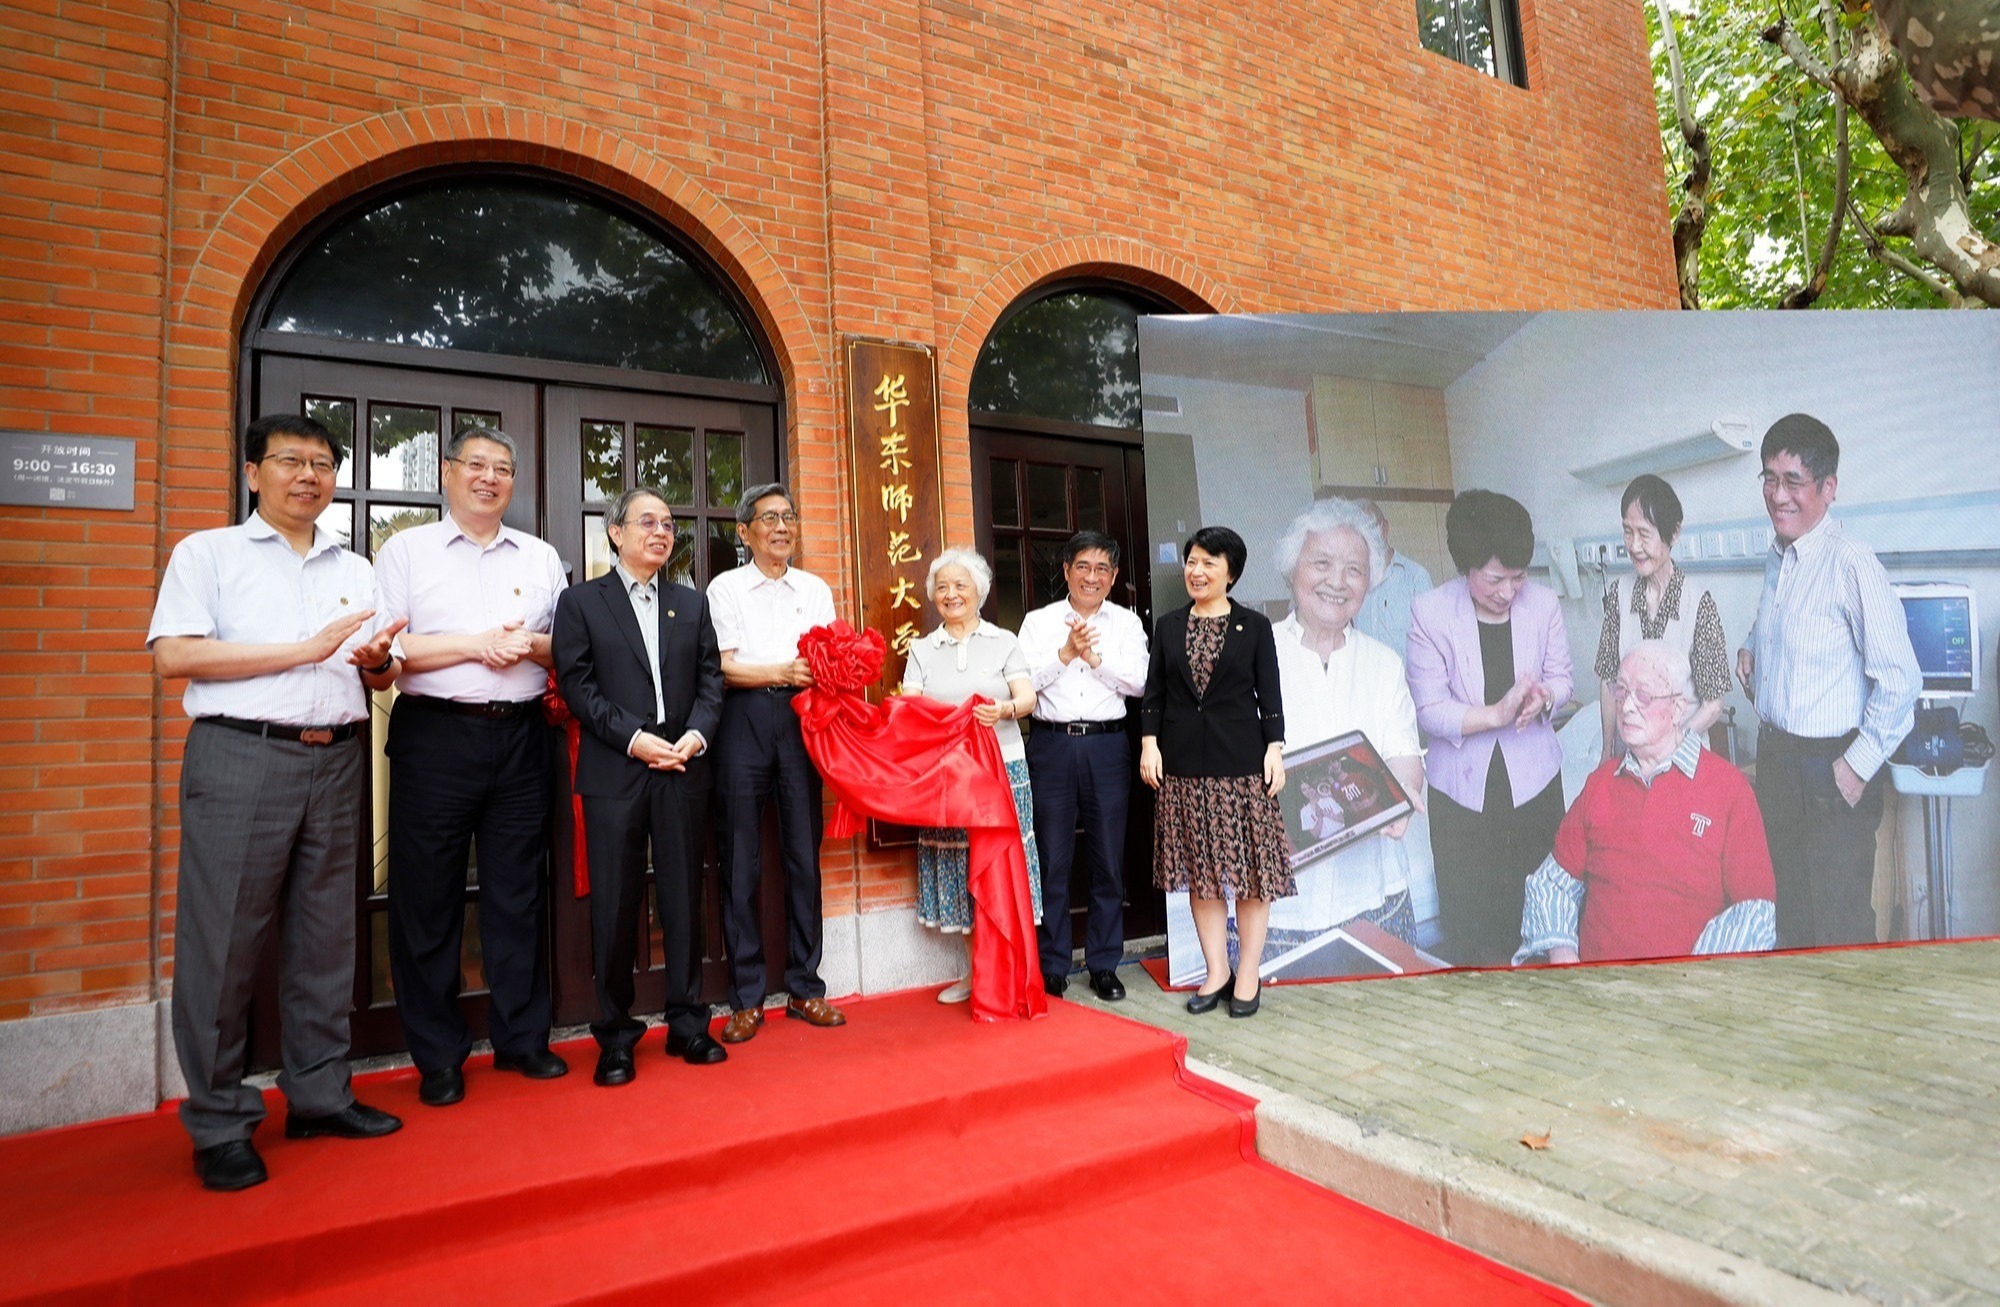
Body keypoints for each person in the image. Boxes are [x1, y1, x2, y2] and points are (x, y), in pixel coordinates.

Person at [147, 413, 405, 1191]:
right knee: (223, 942)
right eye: (291, 460)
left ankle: (320, 1094)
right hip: (241, 755)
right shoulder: (208, 554)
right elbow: (175, 655)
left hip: (337, 758)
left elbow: (383, 673)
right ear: (253, 472)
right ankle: (220, 1121)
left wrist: (376, 662)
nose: (308, 475)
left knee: (326, 938)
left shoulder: (354, 566)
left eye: (322, 463)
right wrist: (303, 650)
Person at [373, 427, 568, 1108]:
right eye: (476, 465)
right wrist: (475, 644)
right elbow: (389, 650)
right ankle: (438, 1055)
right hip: (437, 736)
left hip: (522, 738)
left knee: (518, 894)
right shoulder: (406, 551)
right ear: (447, 472)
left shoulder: (540, 556)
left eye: (502, 468)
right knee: (427, 898)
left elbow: (565, 648)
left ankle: (522, 1038)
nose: (489, 477)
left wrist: (531, 644)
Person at [552, 487, 726, 1084]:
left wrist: (696, 736)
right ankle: (616, 1036)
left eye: (669, 524)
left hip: (682, 765)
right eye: (647, 522)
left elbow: (711, 680)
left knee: (683, 898)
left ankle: (688, 1023)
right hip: (616, 767)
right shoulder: (581, 602)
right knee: (615, 903)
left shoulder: (691, 603)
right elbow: (578, 686)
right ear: (615, 532)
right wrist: (634, 739)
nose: (661, 533)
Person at [1735, 414, 1920, 949]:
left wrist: (1856, 766)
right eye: (1770, 478)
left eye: (1793, 480)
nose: (1778, 495)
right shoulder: (1778, 555)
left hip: (1828, 768)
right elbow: (1782, 620)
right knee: (1788, 917)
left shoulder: (1852, 563)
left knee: (1838, 930)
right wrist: (1752, 645)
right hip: (1778, 762)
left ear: (1828, 487)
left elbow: (1901, 681)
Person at [1516, 641, 1776, 965]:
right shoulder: (1600, 784)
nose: (1626, 707)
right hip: (1596, 983)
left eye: (1643, 695)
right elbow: (1550, 885)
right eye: (1621, 691)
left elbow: (1754, 911)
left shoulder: (1730, 790)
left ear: (1678, 708)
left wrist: (1696, 982)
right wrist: (1563, 953)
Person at [1405, 490, 1573, 967]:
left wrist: (1546, 697)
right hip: (1462, 789)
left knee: (1540, 902)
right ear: (1466, 567)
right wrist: (1495, 715)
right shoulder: (1430, 611)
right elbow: (1429, 709)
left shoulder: (1543, 604)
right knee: (1474, 923)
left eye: (1519, 577)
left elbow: (1563, 678)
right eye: (1495, 579)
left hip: (1534, 780)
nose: (1509, 592)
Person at [707, 483, 846, 1044]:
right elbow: (723, 668)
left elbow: (826, 657)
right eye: (769, 519)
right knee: (740, 858)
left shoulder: (814, 589)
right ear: (745, 532)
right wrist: (783, 672)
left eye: (788, 516)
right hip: (742, 719)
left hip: (801, 720)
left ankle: (806, 987)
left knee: (803, 856)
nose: (782, 527)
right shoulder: (725, 588)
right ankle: (746, 997)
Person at [1140, 526, 1290, 1019]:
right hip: (1183, 767)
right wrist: (1149, 743)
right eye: (1192, 561)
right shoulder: (1168, 626)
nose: (1197, 571)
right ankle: (1216, 971)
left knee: (1250, 876)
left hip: (1242, 766)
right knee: (1201, 875)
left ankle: (1247, 973)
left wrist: (1275, 747)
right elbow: (1155, 694)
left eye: (1208, 563)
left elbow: (1270, 693)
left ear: (1231, 573)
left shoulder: (1255, 626)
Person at [1268, 499, 1427, 944]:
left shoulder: (1384, 663)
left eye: (1354, 570)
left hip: (1376, 896)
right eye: (1322, 563)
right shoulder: (1247, 657)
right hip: (1279, 907)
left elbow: (1404, 754)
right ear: (1293, 570)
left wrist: (1401, 795)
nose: (1337, 582)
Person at [900, 547, 1043, 1003]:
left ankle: (1014, 972)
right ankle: (976, 972)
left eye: (960, 585)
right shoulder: (922, 648)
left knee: (1002, 864)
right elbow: (910, 708)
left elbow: (1027, 699)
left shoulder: (1004, 641)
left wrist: (1004, 709)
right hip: (949, 776)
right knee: (962, 866)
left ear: (979, 591)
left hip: (1002, 770)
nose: (951, 594)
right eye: (942, 587)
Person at [1016, 530, 1148, 1001]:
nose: (1092, 577)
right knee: (1052, 858)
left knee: (1108, 858)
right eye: (1083, 567)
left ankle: (1104, 964)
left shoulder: (1126, 624)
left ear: (1113, 577)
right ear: (1067, 571)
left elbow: (1139, 683)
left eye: (1102, 569)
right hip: (1051, 745)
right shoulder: (1039, 622)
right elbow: (1021, 682)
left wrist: (1094, 658)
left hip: (1107, 746)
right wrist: (1065, 655)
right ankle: (1052, 964)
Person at [1594, 474, 1729, 760]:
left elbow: (1713, 704)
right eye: (1628, 532)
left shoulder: (1698, 604)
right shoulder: (1618, 595)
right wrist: (1607, 750)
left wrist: (1671, 744)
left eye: (1644, 534)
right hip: (1629, 757)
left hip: (1682, 756)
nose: (1634, 546)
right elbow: (1608, 682)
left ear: (1674, 533)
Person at [1351, 498, 1432, 659]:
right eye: (1356, 533)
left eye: (1369, 529)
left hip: (1406, 675)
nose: (1364, 539)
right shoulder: (1351, 582)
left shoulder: (1415, 577)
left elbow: (1432, 641)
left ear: (1384, 529)